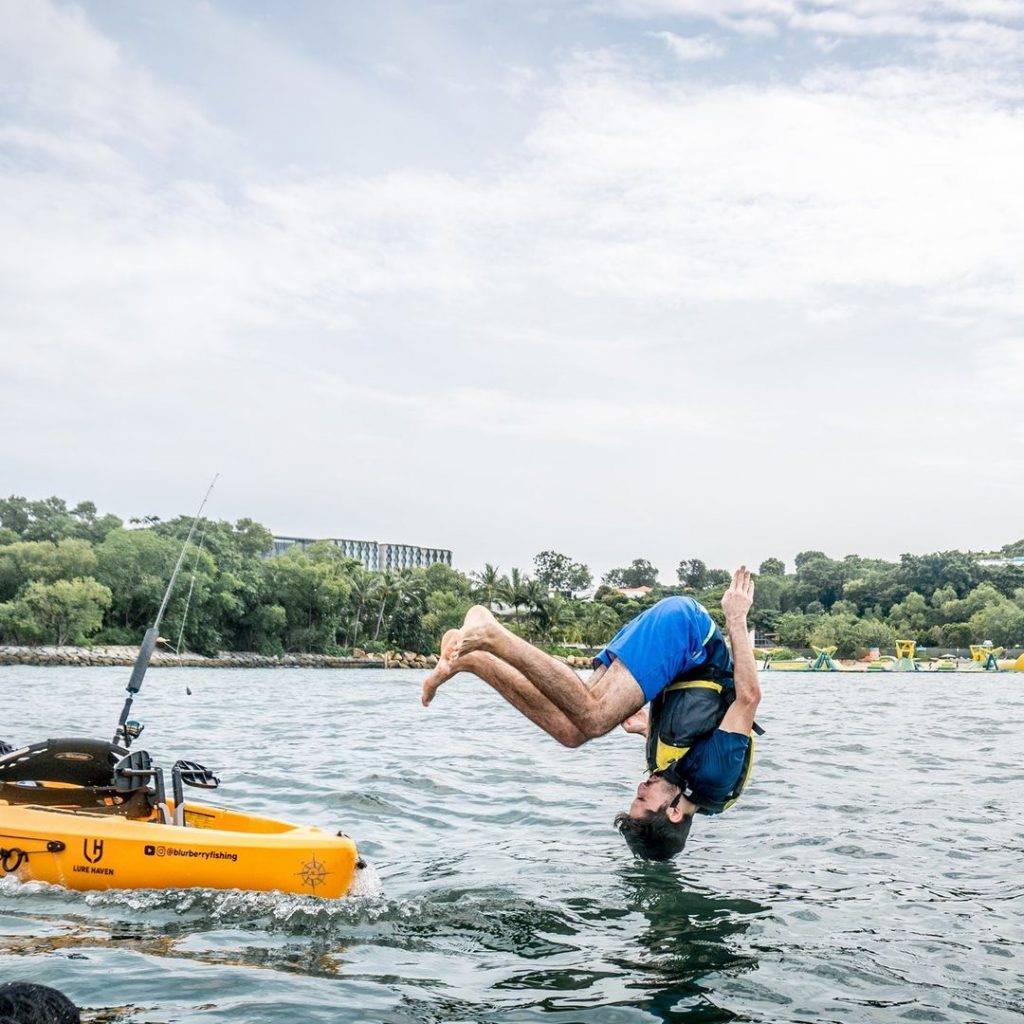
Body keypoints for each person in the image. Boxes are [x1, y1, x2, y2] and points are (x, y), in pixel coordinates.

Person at [421, 567, 762, 861]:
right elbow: (747, 698)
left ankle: (473, 660)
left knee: (573, 733)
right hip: (685, 634)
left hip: (673, 652)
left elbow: (693, 740)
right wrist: (736, 617)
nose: (640, 786)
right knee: (595, 716)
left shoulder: (682, 782)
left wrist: (647, 728)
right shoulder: (714, 780)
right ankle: (490, 633)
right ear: (673, 813)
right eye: (643, 799)